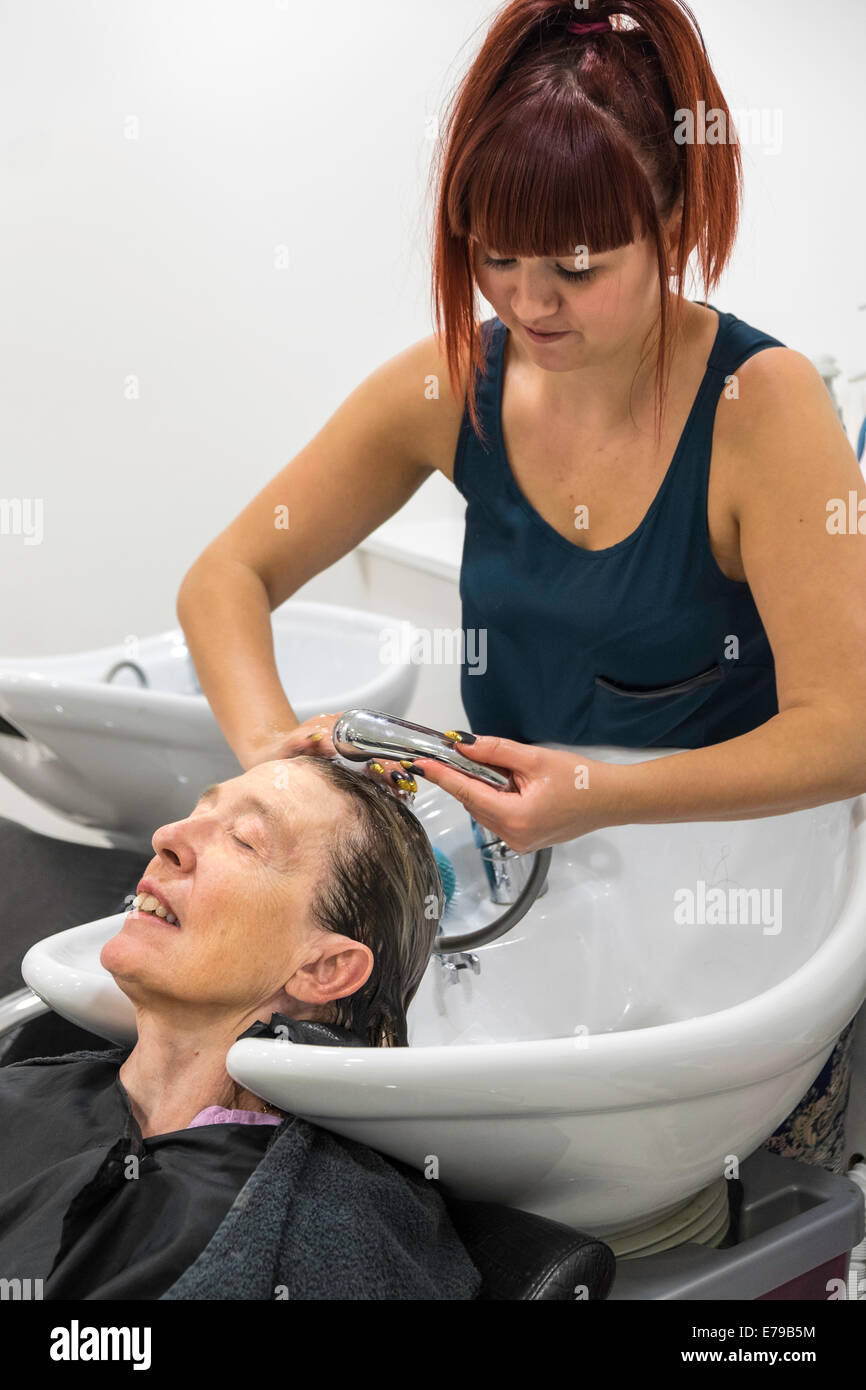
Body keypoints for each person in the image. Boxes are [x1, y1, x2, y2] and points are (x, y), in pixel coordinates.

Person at [174, 5, 866, 1167]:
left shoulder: (764, 409)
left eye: (577, 267)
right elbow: (227, 574)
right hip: (525, 900)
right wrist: (271, 754)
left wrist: (599, 789)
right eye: (492, 256)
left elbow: (847, 732)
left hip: (725, 908)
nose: (527, 301)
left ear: (677, 220)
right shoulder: (452, 384)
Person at [0, 756, 481, 1300]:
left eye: (245, 840)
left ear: (324, 969)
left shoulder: (326, 1237)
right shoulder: (26, 1092)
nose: (167, 837)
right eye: (197, 812)